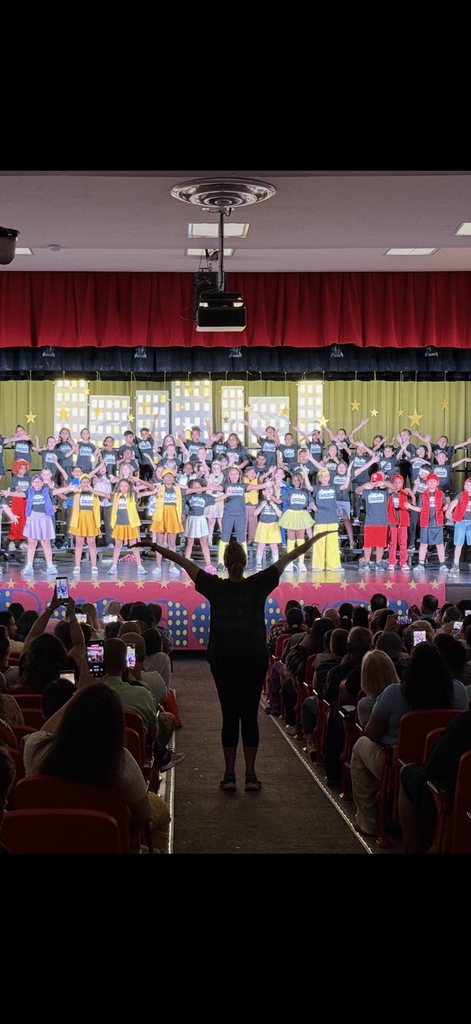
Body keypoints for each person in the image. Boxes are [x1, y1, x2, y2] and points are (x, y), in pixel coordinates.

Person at [150, 531, 329, 792]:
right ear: (245, 562)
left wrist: (154, 545)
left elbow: (182, 561)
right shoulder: (258, 584)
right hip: (253, 657)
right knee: (250, 716)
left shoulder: (215, 587)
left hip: (223, 659)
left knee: (229, 715)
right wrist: (312, 541)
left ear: (224, 562)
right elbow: (289, 557)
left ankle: (229, 774)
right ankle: (252, 775)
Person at [350, 642, 468, 836]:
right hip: (444, 766)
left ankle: (368, 821)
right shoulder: (458, 691)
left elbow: (371, 733)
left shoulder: (394, 692)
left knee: (360, 745)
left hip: (394, 761)